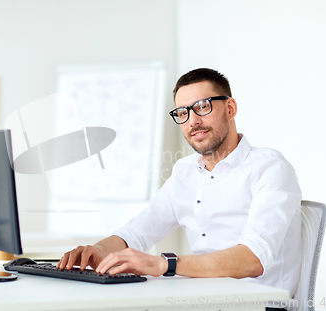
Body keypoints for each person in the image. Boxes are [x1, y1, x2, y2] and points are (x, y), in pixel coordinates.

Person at [57, 68, 302, 309]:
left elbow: (254, 258)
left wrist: (165, 264)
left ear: (230, 108)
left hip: (258, 306)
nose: (193, 121)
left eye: (203, 106)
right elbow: (139, 230)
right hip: (202, 302)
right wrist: (97, 251)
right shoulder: (184, 171)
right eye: (182, 112)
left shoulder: (269, 167)